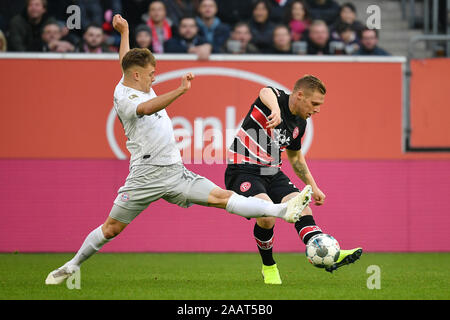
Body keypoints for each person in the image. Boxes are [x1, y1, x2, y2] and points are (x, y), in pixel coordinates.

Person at [45, 14, 313, 285]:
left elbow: (126, 62)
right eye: (151, 74)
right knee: (111, 229)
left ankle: (282, 211)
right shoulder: (127, 98)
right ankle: (71, 266)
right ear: (138, 75)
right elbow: (147, 108)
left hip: (174, 172)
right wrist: (181, 90)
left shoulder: (133, 80)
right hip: (145, 175)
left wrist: (124, 32)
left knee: (223, 197)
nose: (154, 77)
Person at [225, 75, 363, 284]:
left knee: (302, 207)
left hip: (271, 172)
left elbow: (296, 158)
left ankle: (329, 252)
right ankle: (269, 267)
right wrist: (276, 111)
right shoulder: (274, 100)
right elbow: (265, 91)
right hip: (243, 169)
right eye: (314, 103)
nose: (317, 109)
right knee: (266, 214)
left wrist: (313, 187)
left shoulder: (301, 122)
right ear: (299, 95)